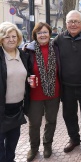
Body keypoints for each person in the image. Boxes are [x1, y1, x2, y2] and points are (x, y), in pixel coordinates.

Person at [53, 10, 81, 160]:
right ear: (66, 23)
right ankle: (74, 139)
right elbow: (44, 46)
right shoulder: (59, 39)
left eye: (76, 21)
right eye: (70, 21)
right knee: (68, 115)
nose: (73, 24)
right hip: (67, 87)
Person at [24, 22, 60, 161]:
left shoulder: (56, 48)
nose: (43, 35)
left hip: (54, 92)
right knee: (34, 123)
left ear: (50, 34)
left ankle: (47, 144)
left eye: (45, 32)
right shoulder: (28, 50)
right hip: (35, 94)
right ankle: (33, 148)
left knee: (51, 120)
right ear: (35, 35)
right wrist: (28, 80)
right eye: (39, 33)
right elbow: (25, 70)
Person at [0, 22, 30, 162]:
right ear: (1, 39)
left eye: (14, 36)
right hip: (1, 110)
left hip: (17, 109)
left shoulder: (23, 55)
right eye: (7, 37)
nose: (11, 39)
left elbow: (26, 76)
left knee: (12, 145)